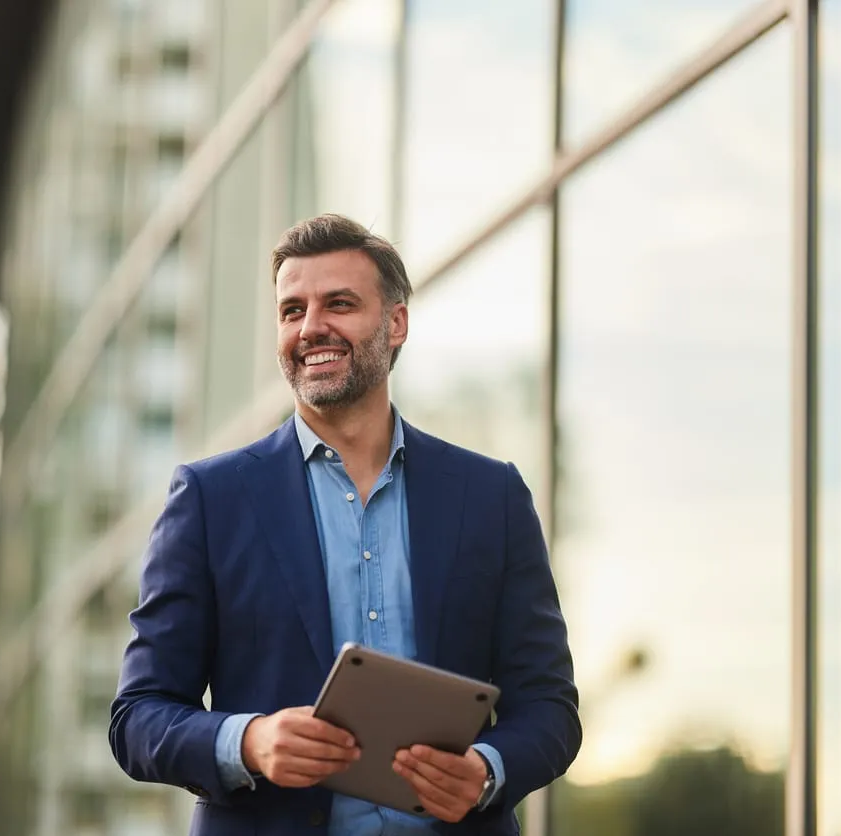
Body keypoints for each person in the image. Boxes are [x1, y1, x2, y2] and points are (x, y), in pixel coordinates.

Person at [110, 214, 580, 835]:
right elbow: (137, 716)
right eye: (291, 311)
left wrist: (487, 770)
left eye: (339, 304)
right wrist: (248, 741)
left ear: (396, 323)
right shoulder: (209, 498)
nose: (311, 328)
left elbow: (550, 707)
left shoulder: (491, 497)